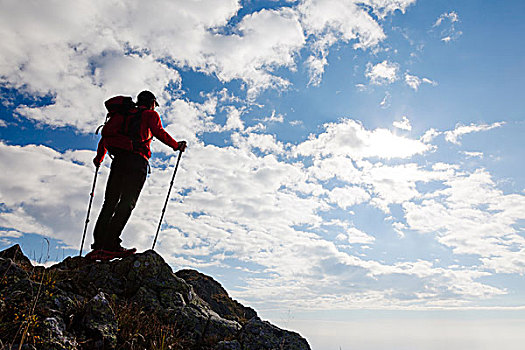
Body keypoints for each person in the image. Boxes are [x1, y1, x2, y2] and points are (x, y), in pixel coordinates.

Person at [90, 90, 186, 255]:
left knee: (110, 202)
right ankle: (111, 244)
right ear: (152, 102)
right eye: (155, 104)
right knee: (127, 202)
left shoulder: (123, 114)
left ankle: (99, 244)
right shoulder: (150, 115)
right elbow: (158, 132)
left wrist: (99, 159)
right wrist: (176, 145)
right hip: (137, 162)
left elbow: (105, 138)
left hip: (119, 161)